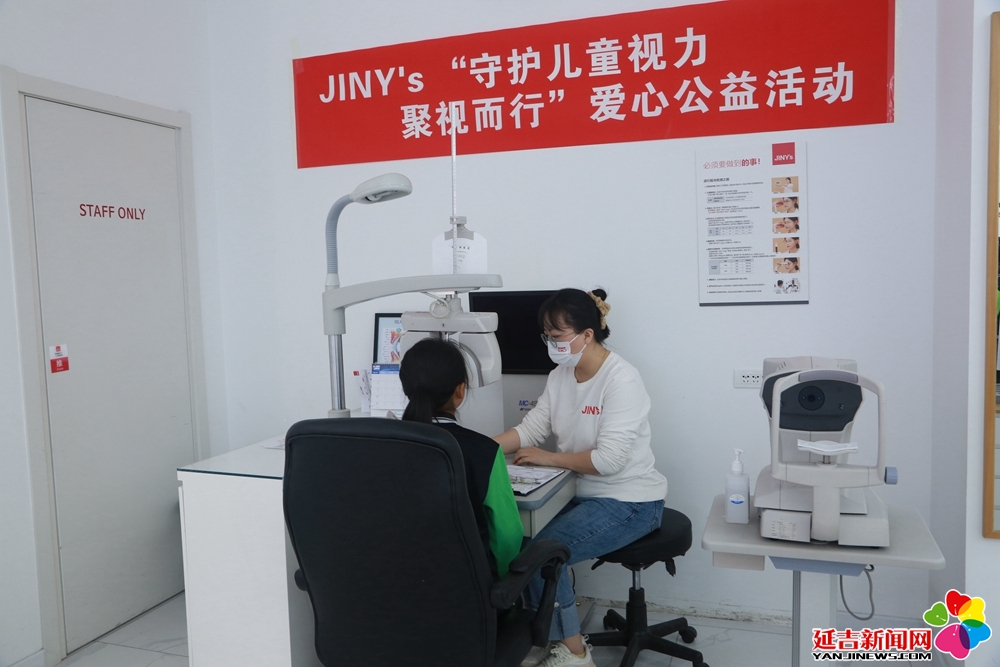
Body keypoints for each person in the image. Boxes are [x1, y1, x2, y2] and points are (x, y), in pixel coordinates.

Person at [493, 288, 667, 667]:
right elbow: (531, 429)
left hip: (630, 501)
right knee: (518, 539)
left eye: (557, 336)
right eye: (547, 336)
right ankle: (545, 634)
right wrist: (480, 448)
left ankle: (575, 654)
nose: (551, 344)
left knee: (540, 556)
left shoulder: (621, 379)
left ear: (587, 334)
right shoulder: (560, 375)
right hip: (580, 492)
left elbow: (608, 460)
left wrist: (549, 458)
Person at [399, 337, 523, 580]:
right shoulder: (484, 452)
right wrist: (505, 589)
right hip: (467, 594)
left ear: (406, 386)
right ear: (460, 390)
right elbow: (508, 536)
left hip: (392, 588)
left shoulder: (378, 446)